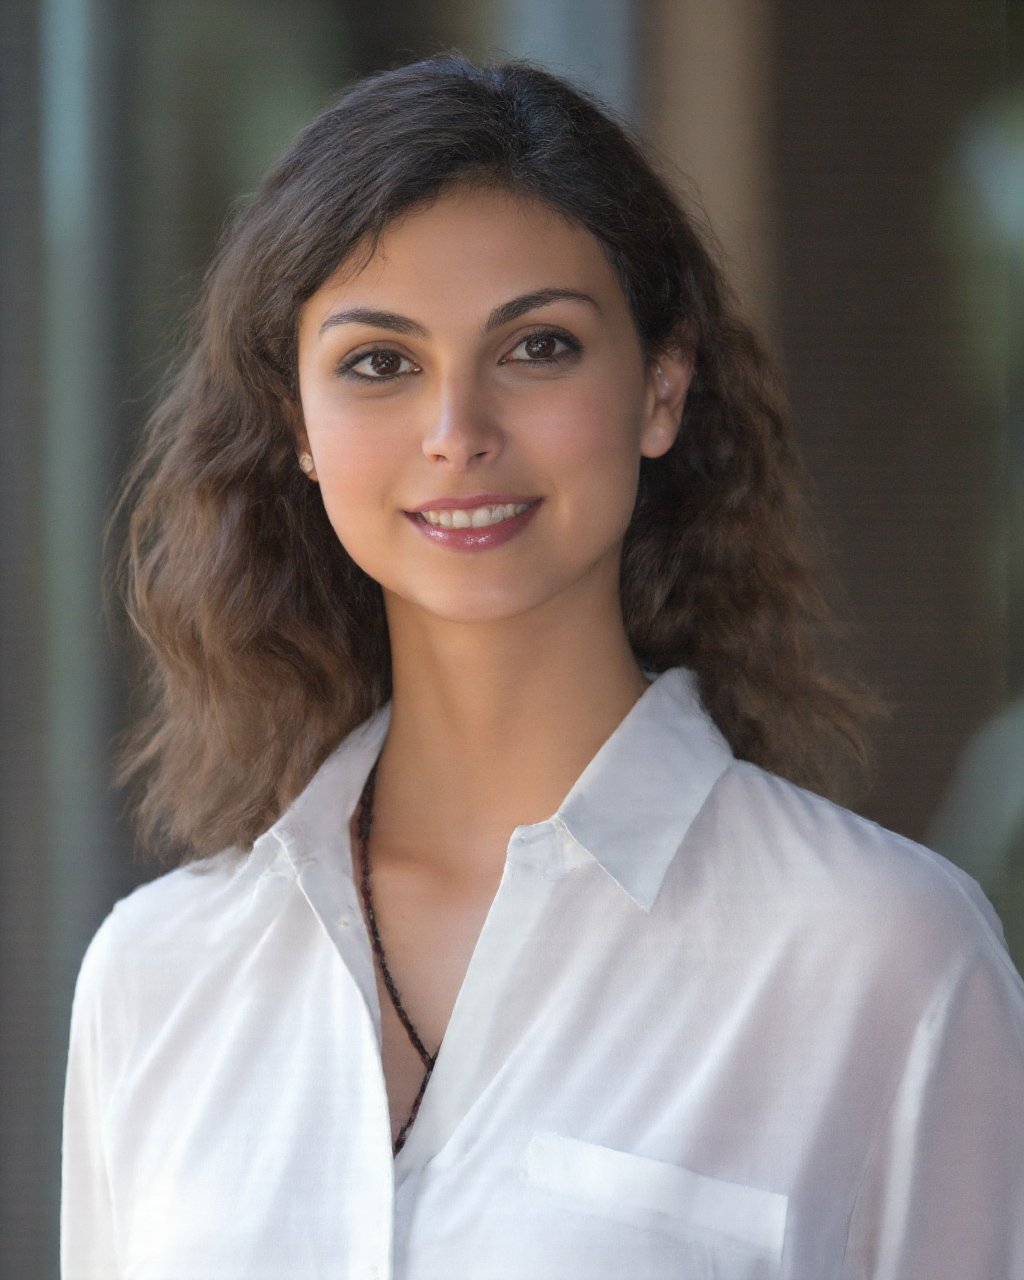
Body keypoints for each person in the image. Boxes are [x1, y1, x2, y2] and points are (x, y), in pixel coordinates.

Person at [61, 54, 1024, 1280]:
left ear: (660, 388)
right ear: (297, 424)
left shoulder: (882, 956)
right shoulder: (157, 975)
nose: (457, 428)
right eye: (378, 362)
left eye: (538, 346)